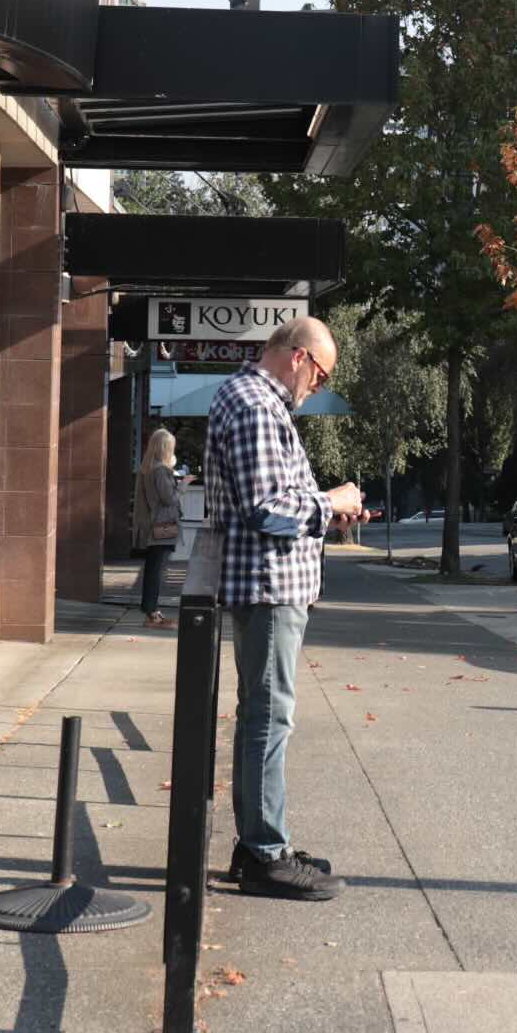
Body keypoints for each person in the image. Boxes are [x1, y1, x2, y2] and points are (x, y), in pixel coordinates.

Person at [204, 316, 364, 901]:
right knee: (269, 720)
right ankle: (264, 853)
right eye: (319, 377)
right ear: (298, 357)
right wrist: (332, 501)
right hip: (268, 589)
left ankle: (260, 845)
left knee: (262, 718)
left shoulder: (256, 402)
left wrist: (325, 512)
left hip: (270, 587)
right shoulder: (254, 406)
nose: (315, 389)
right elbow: (268, 511)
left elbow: (277, 503)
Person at [134, 428, 182, 626]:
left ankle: (151, 611)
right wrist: (182, 487)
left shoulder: (146, 468)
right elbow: (169, 498)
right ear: (164, 448)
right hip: (163, 525)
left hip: (153, 524)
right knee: (156, 569)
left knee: (153, 568)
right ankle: (151, 613)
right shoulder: (160, 470)